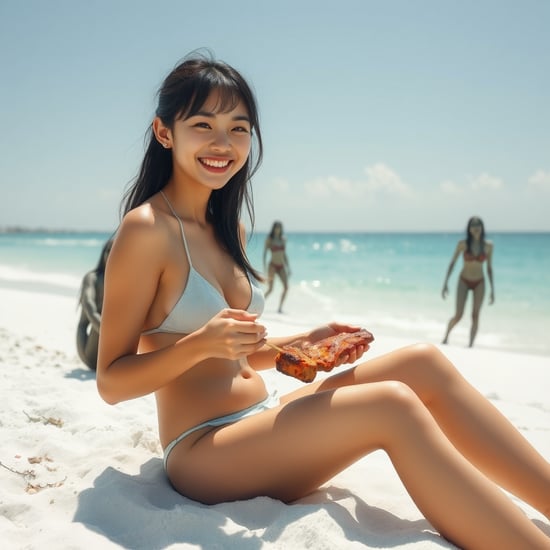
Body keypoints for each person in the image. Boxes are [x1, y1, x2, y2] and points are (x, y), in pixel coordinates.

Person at [96, 53, 549, 549]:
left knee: (422, 363)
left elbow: (238, 353)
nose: (222, 144)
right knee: (391, 404)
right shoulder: (146, 231)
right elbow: (112, 382)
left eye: (238, 128)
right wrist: (201, 344)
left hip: (263, 417)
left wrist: (305, 342)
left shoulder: (231, 228)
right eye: (203, 125)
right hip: (204, 453)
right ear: (165, 133)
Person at [442, 216, 495, 347]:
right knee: (459, 314)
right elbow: (452, 263)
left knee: (475, 315)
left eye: (478, 225)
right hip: (464, 281)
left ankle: (470, 345)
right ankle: (446, 336)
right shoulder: (462, 244)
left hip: (480, 282)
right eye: (473, 225)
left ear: (482, 228)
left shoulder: (488, 246)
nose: (475, 228)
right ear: (469, 228)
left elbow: (489, 268)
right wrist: (445, 284)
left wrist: (493, 290)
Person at [76, 237, 113, 370]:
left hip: (106, 344)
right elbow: (89, 307)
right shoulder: (92, 278)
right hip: (87, 348)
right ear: (104, 253)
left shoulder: (121, 279)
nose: (112, 254)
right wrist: (111, 334)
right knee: (107, 317)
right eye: (109, 250)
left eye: (116, 251)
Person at [263, 220, 290, 313]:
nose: (278, 229)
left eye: (279, 227)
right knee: (270, 289)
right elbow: (265, 253)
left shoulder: (283, 240)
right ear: (273, 228)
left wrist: (288, 267)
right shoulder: (269, 240)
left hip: (281, 266)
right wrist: (264, 267)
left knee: (286, 287)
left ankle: (280, 308)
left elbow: (284, 254)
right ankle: (259, 305)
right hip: (272, 266)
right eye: (276, 227)